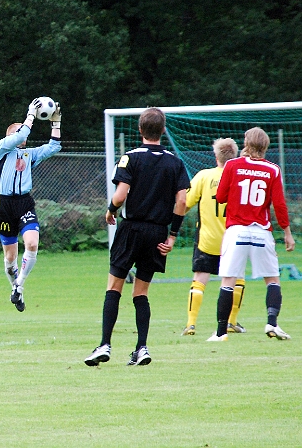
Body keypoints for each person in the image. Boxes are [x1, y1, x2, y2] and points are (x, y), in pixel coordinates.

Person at [85, 107, 190, 366]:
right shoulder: (175, 162)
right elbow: (182, 201)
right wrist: (173, 235)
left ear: (140, 130)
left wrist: (111, 211)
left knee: (114, 287)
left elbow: (120, 195)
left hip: (131, 229)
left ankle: (104, 345)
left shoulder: (130, 158)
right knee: (141, 292)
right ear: (163, 130)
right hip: (157, 233)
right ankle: (142, 348)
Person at [207, 127, 295, 342]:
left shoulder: (232, 165)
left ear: (246, 143)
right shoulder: (272, 170)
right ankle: (272, 323)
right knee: (272, 279)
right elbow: (279, 205)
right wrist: (287, 232)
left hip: (237, 230)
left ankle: (220, 332)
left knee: (228, 280)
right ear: (265, 146)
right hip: (261, 232)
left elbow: (219, 197)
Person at [0, 98, 62, 312]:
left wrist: (56, 123)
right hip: (4, 205)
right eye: (17, 133)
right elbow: (23, 134)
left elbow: (54, 146)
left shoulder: (28, 155)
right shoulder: (3, 148)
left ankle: (19, 285)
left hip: (24, 203)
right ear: (9, 136)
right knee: (10, 257)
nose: (21, 137)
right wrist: (31, 114)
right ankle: (15, 287)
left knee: (32, 244)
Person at [181, 138, 247, 336]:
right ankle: (231, 321)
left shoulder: (204, 176)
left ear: (215, 155)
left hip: (207, 239)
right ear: (234, 155)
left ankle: (191, 324)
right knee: (237, 279)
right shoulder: (241, 177)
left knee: (200, 279)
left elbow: (185, 203)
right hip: (234, 239)